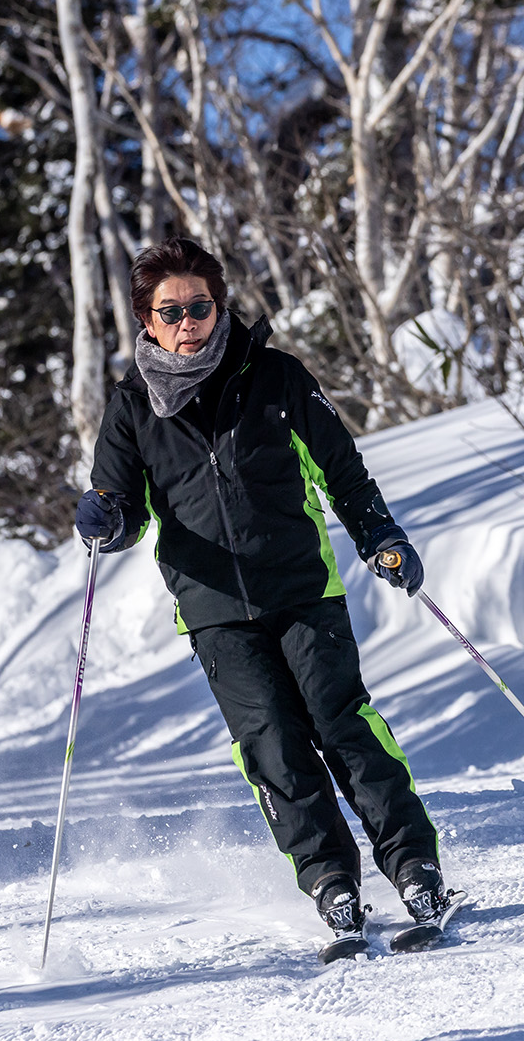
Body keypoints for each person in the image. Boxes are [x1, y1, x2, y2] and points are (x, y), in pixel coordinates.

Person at [75, 236, 446, 962]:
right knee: (271, 744)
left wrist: (381, 536)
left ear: (220, 306)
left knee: (343, 727)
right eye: (171, 310)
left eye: (200, 306)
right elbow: (122, 508)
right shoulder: (131, 408)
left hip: (303, 588)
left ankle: (414, 868)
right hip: (214, 610)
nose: (189, 322)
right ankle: (332, 881)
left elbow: (342, 469)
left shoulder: (274, 377)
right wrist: (105, 518)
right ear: (146, 320)